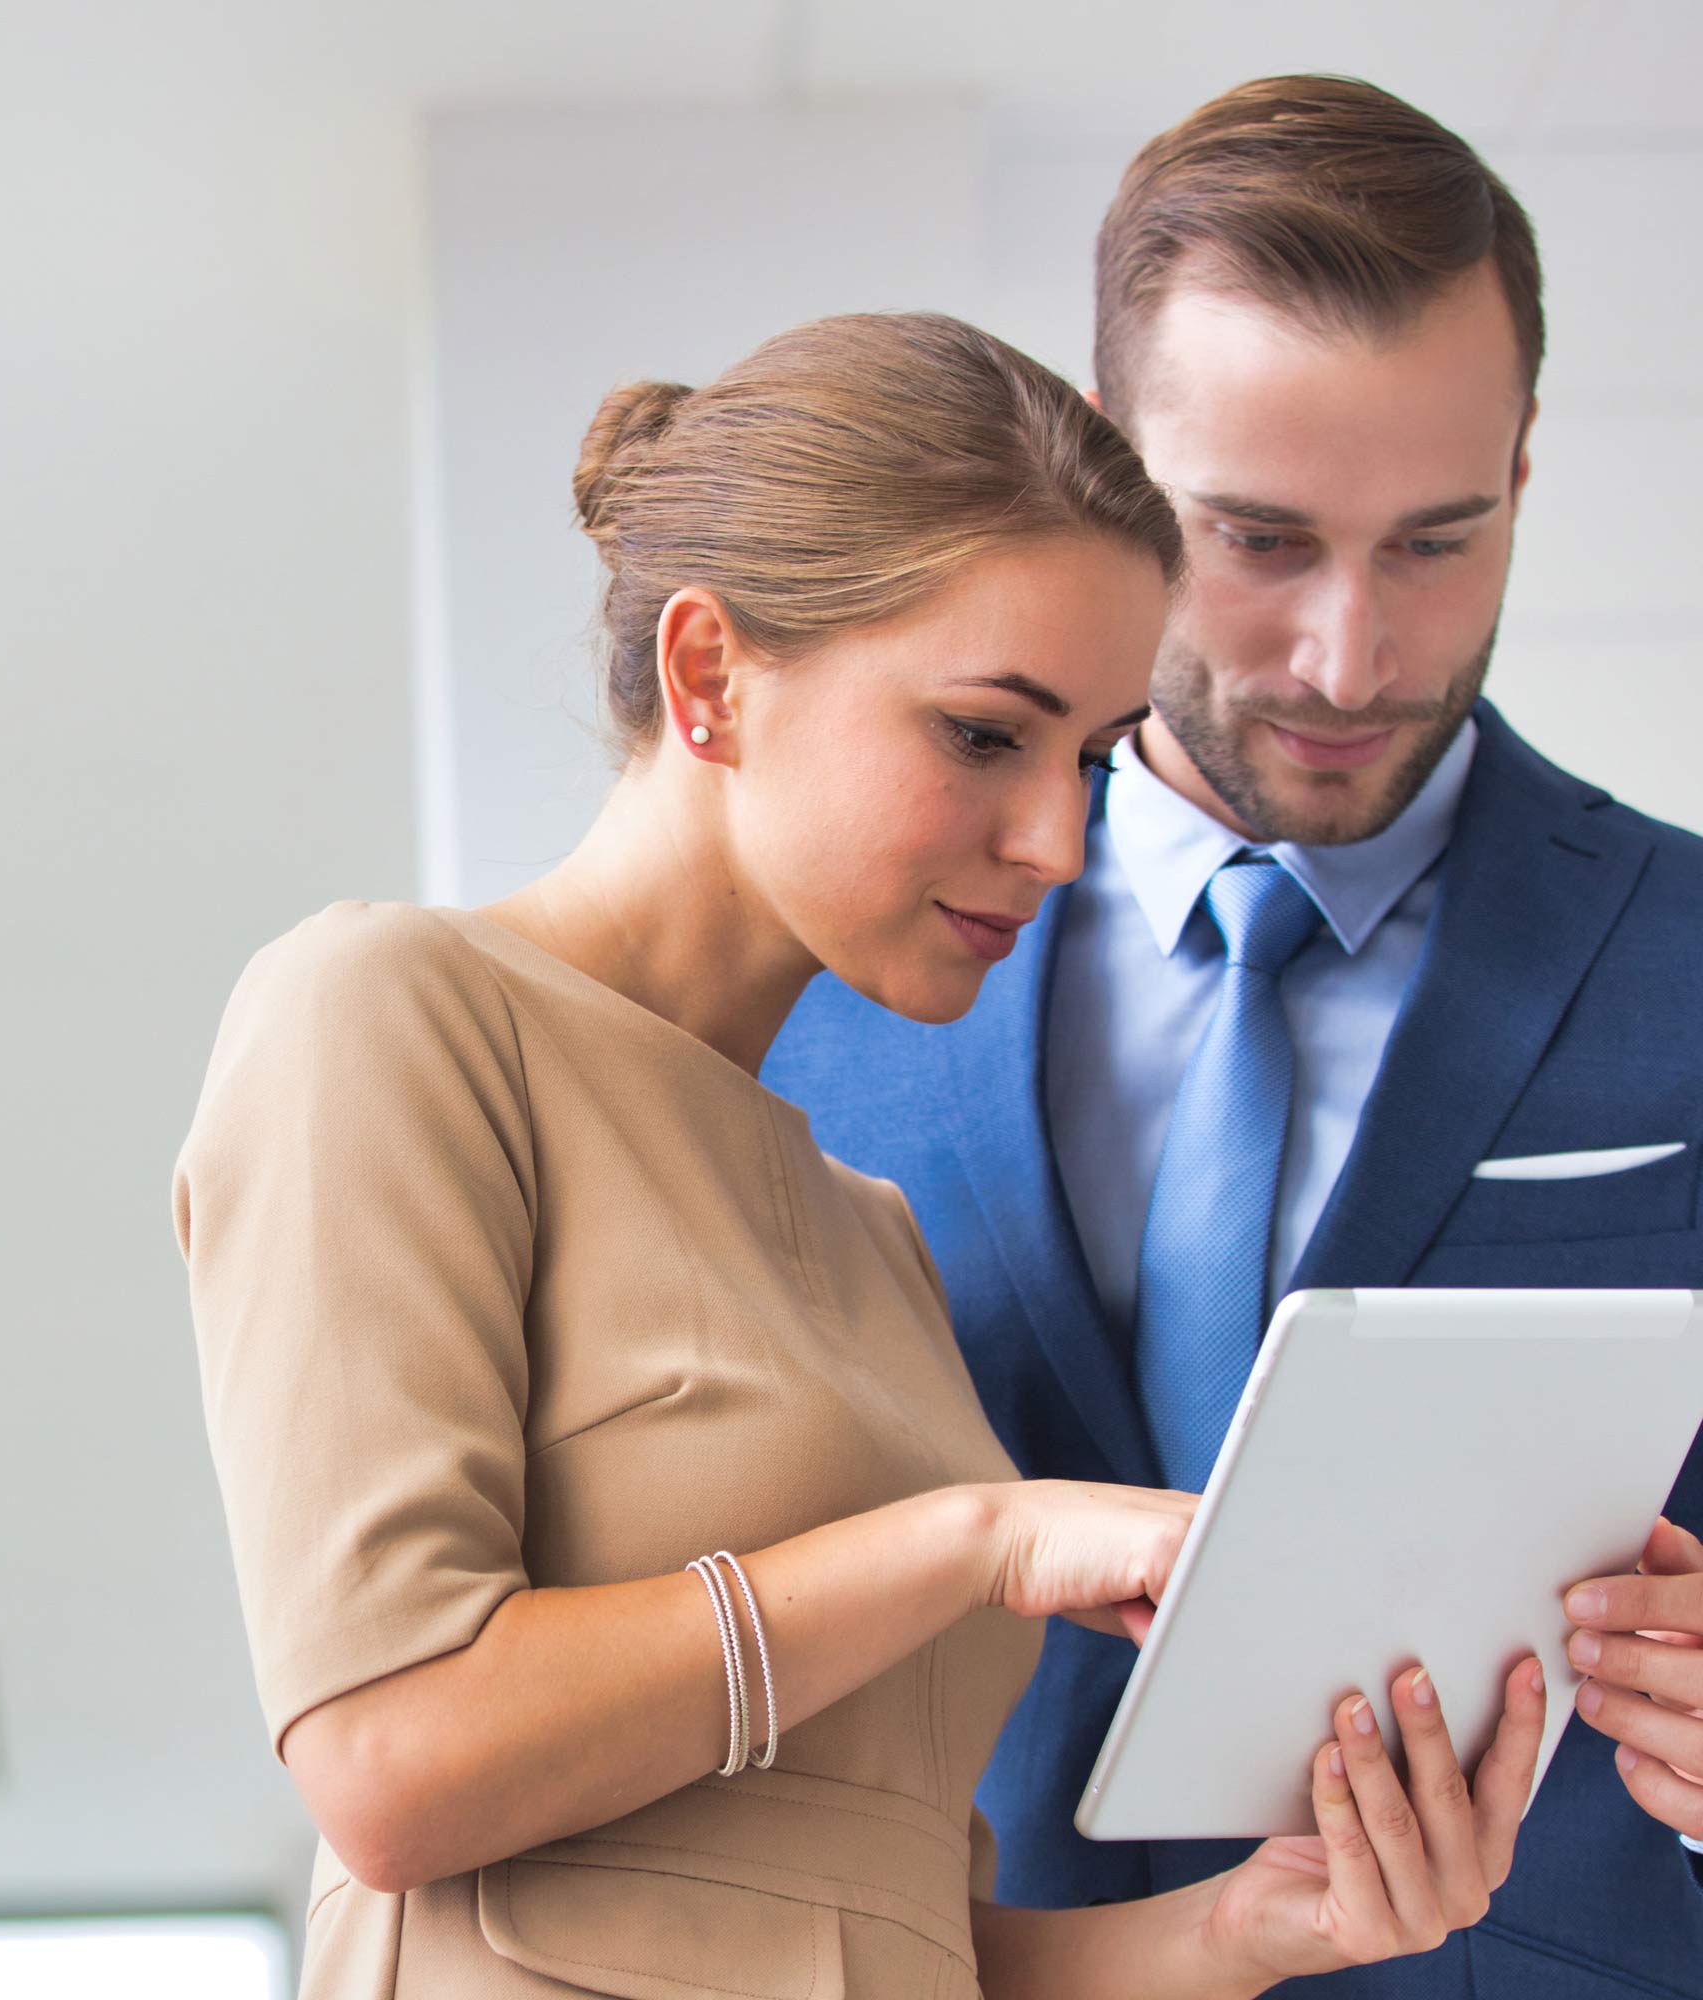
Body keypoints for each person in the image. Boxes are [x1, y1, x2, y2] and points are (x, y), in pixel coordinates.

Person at [175, 311, 1542, 2000]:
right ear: (708, 677)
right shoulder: (392, 1012)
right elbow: (389, 1762)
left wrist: (1253, 1929)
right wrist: (973, 1544)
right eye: (985, 732)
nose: (1058, 841)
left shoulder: (872, 1235)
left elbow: (872, 1931)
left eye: (1095, 758)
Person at [762, 77, 1703, 1999]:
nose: (1351, 662)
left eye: (1437, 544)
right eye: (1259, 544)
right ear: (1112, 473)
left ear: (1524, 473)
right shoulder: (807, 994)